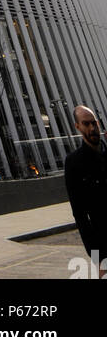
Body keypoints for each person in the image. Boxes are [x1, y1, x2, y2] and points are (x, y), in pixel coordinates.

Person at [64, 104, 107, 277]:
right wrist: (94, 251)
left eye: (94, 123)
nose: (92, 128)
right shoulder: (74, 162)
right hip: (103, 240)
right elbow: (79, 213)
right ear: (78, 127)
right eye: (86, 124)